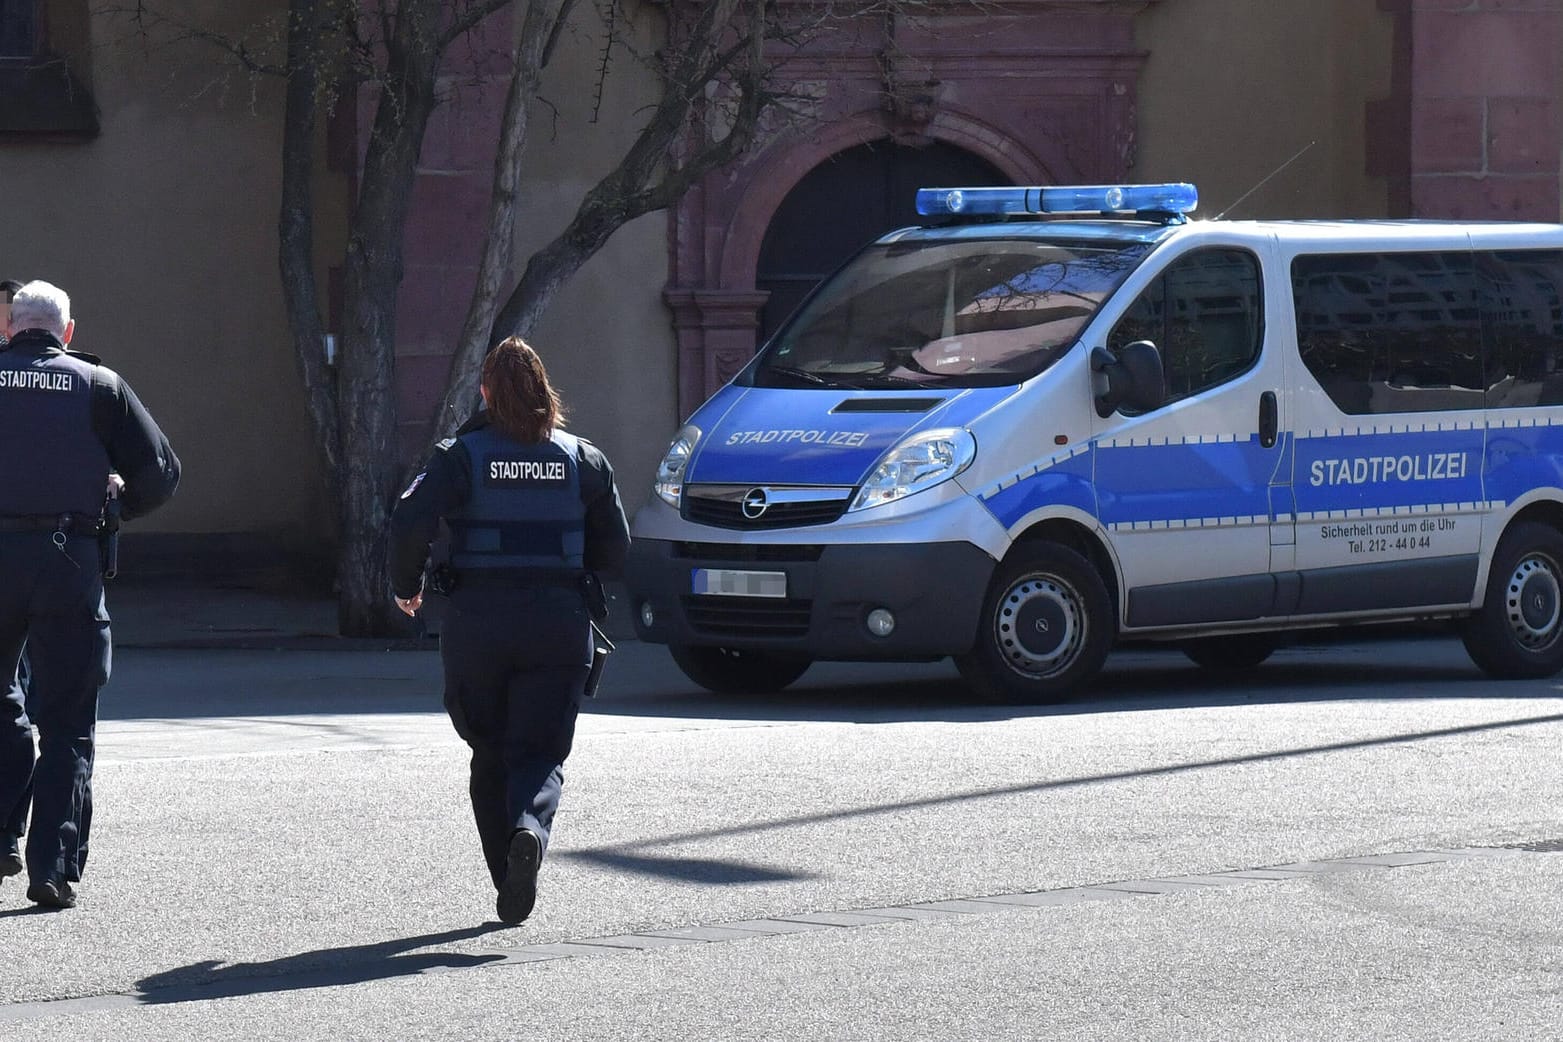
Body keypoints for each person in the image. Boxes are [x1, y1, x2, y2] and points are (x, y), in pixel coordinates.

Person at [388, 336, 629, 924]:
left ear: (486, 393)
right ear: (546, 391)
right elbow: (616, 550)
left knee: (489, 751)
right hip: (559, 624)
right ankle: (530, 832)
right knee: (540, 752)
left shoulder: (460, 456)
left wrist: (406, 586)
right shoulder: (583, 458)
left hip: (480, 625)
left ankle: (508, 874)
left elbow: (408, 518)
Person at [0, 280, 180, 909]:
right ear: (67, 333)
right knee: (69, 719)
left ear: (9, 327)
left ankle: (2, 833)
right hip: (65, 558)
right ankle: (52, 866)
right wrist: (114, 507)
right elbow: (162, 474)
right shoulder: (98, 386)